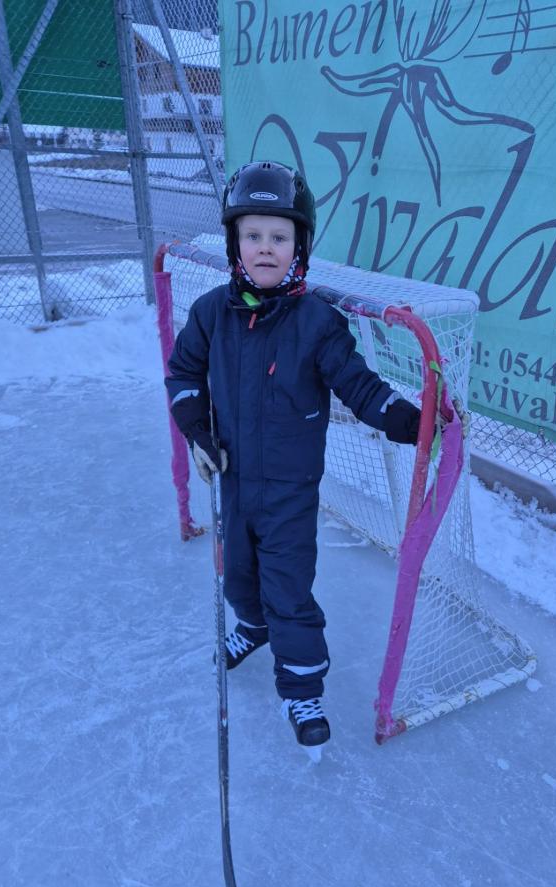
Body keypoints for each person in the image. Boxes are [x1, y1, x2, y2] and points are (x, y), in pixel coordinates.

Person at [165, 160, 421, 752]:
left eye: (279, 237)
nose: (265, 247)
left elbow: (358, 385)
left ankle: (302, 688)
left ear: (299, 247)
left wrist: (403, 418)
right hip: (232, 478)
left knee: (288, 587)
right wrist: (197, 431)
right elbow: (183, 373)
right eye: (253, 235)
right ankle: (251, 627)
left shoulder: (318, 323)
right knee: (238, 575)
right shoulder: (210, 313)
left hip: (289, 491)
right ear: (234, 243)